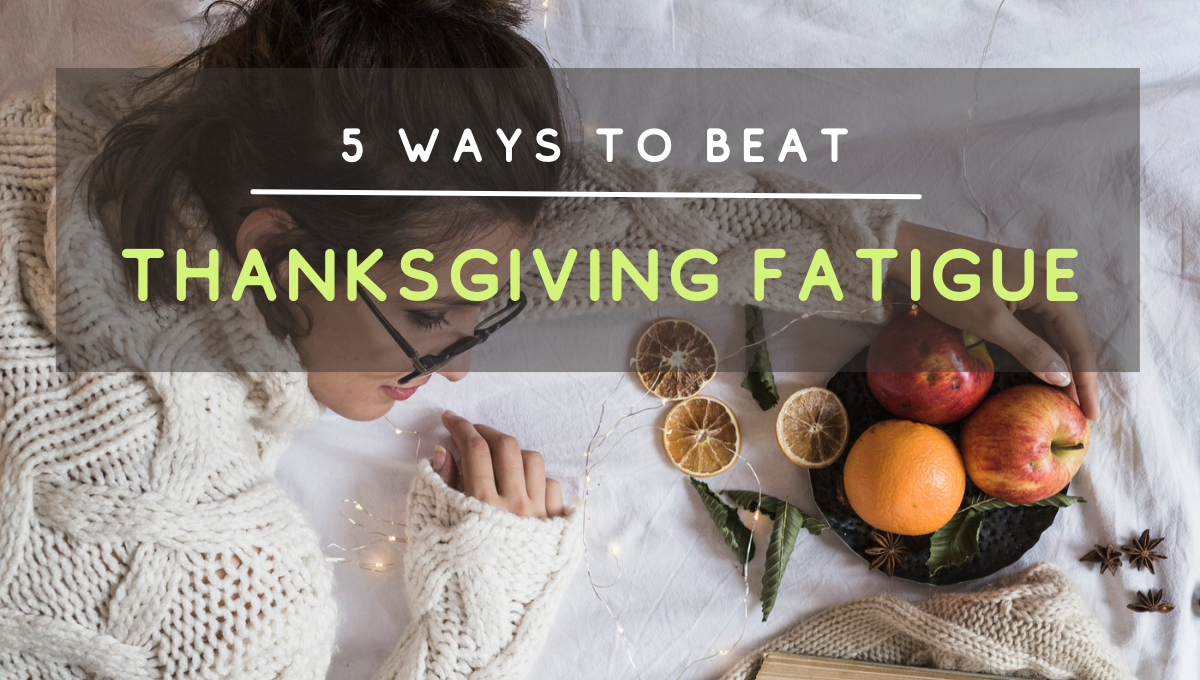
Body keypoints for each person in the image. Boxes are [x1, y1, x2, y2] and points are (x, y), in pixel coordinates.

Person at [0, 1, 1099, 679]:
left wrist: (915, 253)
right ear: (278, 246)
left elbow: (530, 214)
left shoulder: (100, 133)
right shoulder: (201, 574)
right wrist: (489, 590)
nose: (458, 363)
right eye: (432, 324)